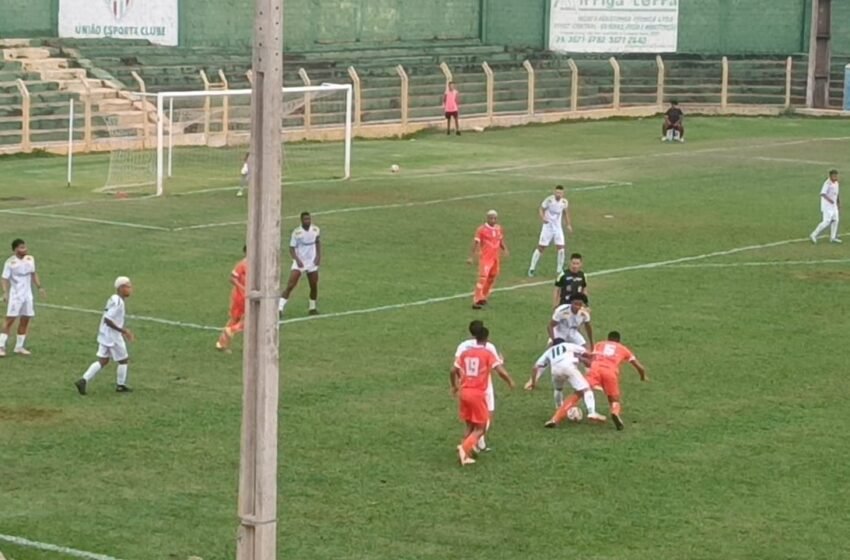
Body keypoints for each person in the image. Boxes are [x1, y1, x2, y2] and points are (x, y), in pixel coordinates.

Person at [450, 326, 515, 466]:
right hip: (477, 393)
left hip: (464, 392)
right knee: (482, 427)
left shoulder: (465, 353)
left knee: (469, 425)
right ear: (486, 339)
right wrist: (510, 381)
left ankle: (464, 451)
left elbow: (453, 369)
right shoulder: (487, 353)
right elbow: (500, 371)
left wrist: (454, 386)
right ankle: (464, 448)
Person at [74, 277, 135, 395]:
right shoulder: (118, 302)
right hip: (113, 336)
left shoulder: (114, 299)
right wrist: (123, 331)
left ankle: (83, 380)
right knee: (123, 360)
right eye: (128, 287)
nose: (130, 289)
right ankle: (120, 385)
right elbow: (108, 319)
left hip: (104, 334)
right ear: (121, 288)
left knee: (103, 360)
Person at [526, 338, 605, 424]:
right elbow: (587, 353)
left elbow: (535, 367)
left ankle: (559, 410)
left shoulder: (549, 351)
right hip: (568, 367)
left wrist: (533, 383)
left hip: (555, 370)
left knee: (558, 389)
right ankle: (591, 412)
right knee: (586, 389)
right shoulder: (568, 345)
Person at [582, 331, 648, 430]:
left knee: (582, 390)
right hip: (610, 373)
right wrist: (642, 377)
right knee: (614, 399)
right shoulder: (623, 349)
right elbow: (640, 368)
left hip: (596, 370)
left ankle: (564, 411)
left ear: (608, 339)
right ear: (619, 341)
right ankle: (614, 412)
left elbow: (590, 359)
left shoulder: (599, 344)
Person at [453, 320, 502, 452]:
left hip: (466, 385)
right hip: (483, 386)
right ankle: (477, 443)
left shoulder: (463, 346)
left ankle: (470, 444)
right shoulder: (488, 346)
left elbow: (456, 367)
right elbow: (498, 365)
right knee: (486, 415)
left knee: (469, 419)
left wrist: (459, 381)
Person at [1, 238, 45, 357]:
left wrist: (39, 287)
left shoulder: (30, 259)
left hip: (27, 295)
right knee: (10, 320)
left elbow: (33, 273)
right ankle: (1, 346)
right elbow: (4, 278)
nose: (25, 249)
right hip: (16, 296)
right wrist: (5, 292)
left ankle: (19, 347)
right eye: (21, 247)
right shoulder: (10, 263)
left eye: (25, 247)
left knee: (25, 319)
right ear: (15, 250)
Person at [280, 212, 321, 316]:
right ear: (301, 220)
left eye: (309, 219)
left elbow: (317, 242)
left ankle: (312, 308)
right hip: (300, 262)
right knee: (290, 285)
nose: (307, 221)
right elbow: (291, 248)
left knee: (313, 285)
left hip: (311, 262)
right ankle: (279, 308)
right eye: (305, 219)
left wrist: (318, 256)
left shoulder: (315, 230)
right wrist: (297, 260)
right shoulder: (297, 232)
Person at [469, 210, 509, 310]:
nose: (493, 220)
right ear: (487, 218)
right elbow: (475, 243)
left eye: (495, 218)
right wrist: (471, 256)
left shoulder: (498, 228)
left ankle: (483, 297)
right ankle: (476, 300)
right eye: (491, 218)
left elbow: (500, 240)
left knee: (492, 278)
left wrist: (505, 249)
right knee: (482, 278)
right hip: (486, 259)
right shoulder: (481, 229)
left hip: (495, 258)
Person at [528, 185, 572, 277]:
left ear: (563, 193)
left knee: (561, 248)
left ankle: (559, 270)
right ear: (554, 192)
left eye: (560, 193)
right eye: (557, 192)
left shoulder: (564, 202)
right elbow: (541, 209)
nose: (558, 194)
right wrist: (543, 218)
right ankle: (532, 268)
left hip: (558, 228)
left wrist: (568, 225)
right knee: (541, 247)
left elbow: (565, 213)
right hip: (547, 227)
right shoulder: (549, 200)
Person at [216, 246, 248, 352]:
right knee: (248, 320)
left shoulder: (251, 264)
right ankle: (231, 330)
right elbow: (232, 278)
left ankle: (221, 344)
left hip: (240, 296)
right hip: (242, 297)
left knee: (234, 319)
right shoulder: (243, 264)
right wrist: (242, 288)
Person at [810, 169, 841, 244]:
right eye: (834, 176)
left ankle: (833, 237)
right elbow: (822, 193)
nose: (835, 177)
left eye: (836, 175)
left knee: (836, 220)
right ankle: (813, 234)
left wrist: (838, 202)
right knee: (826, 222)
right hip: (827, 206)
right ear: (830, 176)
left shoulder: (836, 183)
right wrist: (830, 200)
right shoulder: (827, 183)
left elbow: (836, 194)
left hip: (834, 206)